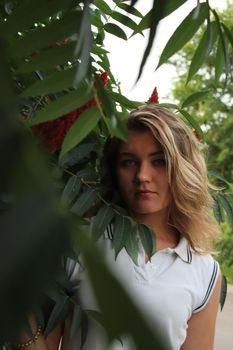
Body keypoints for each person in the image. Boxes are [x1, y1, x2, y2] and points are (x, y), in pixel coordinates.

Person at [15, 105, 222, 350]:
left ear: (182, 168)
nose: (142, 175)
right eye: (129, 162)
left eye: (158, 161)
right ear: (115, 170)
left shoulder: (205, 271)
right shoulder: (77, 241)